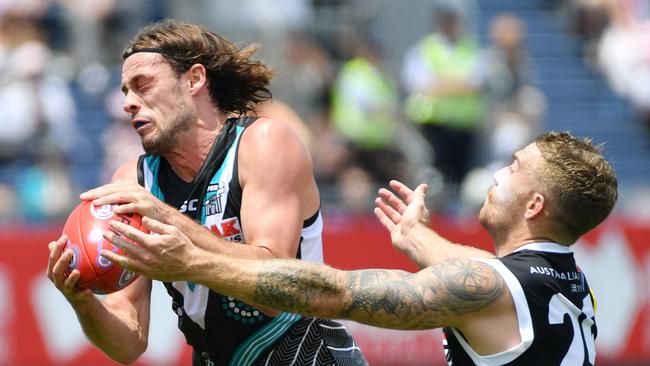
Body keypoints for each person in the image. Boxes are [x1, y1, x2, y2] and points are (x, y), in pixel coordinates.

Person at [102, 131, 615, 366]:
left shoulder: (485, 286)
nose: (499, 172)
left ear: (534, 205)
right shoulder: (568, 284)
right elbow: (481, 270)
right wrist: (415, 236)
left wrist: (191, 260)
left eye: (514, 168)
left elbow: (335, 292)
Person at [47, 19, 366, 366]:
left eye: (143, 85)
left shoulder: (262, 143)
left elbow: (275, 289)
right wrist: (81, 300)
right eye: (125, 91)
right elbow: (129, 343)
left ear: (195, 79)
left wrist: (169, 219)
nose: (128, 102)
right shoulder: (134, 182)